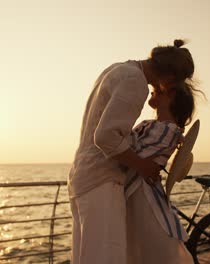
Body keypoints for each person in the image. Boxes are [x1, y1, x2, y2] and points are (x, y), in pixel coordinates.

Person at [68, 39, 195, 264]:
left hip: (82, 175)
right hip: (102, 179)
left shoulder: (117, 69)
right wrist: (143, 165)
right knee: (106, 258)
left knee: (86, 256)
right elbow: (106, 136)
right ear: (169, 79)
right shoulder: (135, 82)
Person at [125, 81, 201, 264]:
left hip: (142, 195)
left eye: (161, 89)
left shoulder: (168, 130)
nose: (155, 88)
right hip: (140, 191)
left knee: (150, 249)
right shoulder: (157, 127)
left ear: (172, 95)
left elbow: (135, 154)